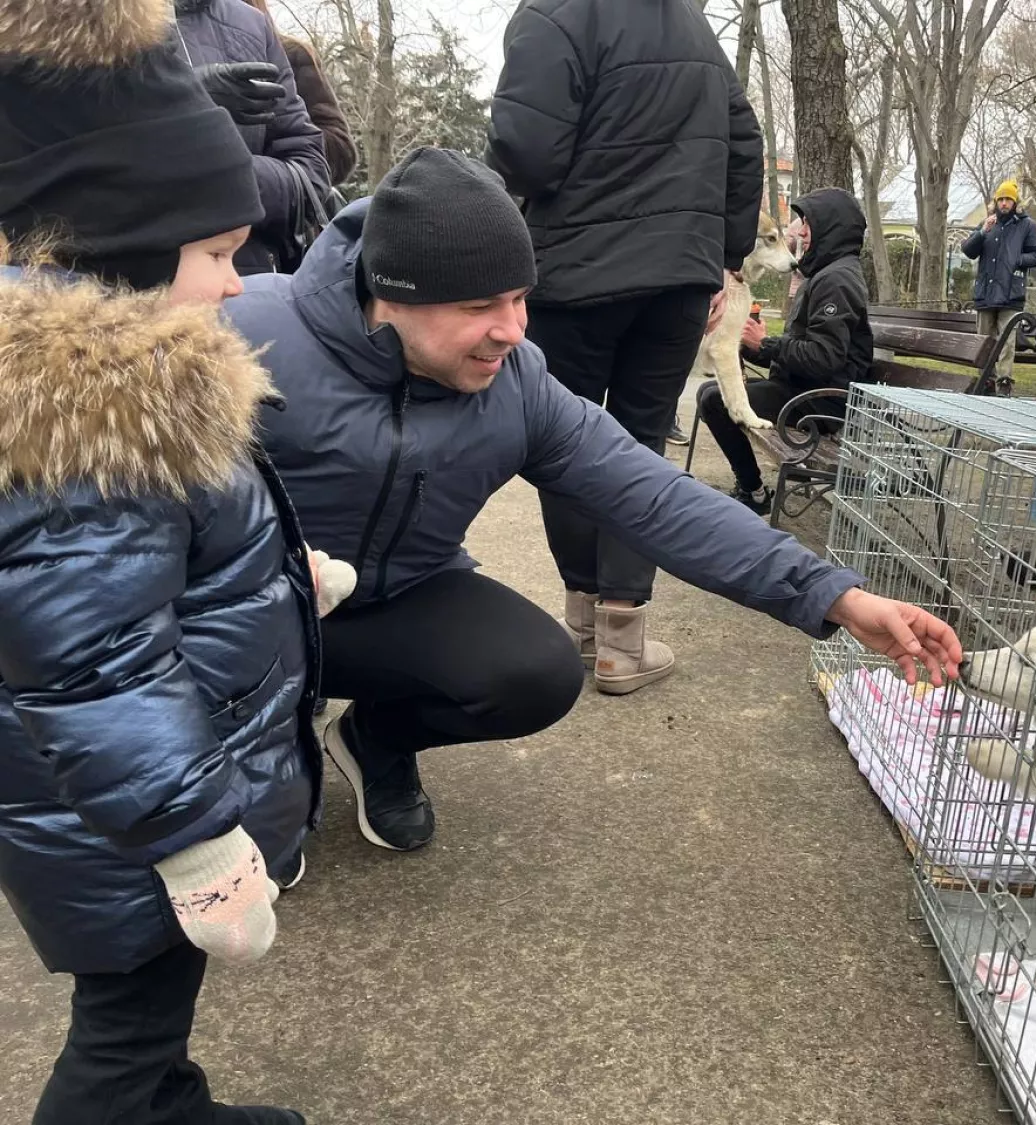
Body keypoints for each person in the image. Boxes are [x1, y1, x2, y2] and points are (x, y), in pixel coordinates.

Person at [225, 146, 964, 856]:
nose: (512, 330)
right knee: (259, 840)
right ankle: (255, 741)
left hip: (398, 597)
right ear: (392, 294)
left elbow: (655, 497)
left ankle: (374, 738)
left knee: (538, 671)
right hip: (246, 612)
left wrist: (835, 597)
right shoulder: (248, 334)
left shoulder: (518, 381)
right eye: (482, 305)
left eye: (520, 298)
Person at [0, 3, 340, 1120]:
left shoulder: (123, 395)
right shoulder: (87, 431)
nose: (238, 286)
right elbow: (97, 670)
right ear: (123, 250)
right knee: (127, 1013)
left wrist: (288, 573)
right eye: (216, 257)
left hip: (113, 807)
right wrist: (196, 850)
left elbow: (166, 565)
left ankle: (167, 1101)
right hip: (116, 828)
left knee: (156, 1003)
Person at [484, 0, 765, 693]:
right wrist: (724, 259)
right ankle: (622, 641)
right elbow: (745, 142)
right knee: (640, 444)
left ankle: (583, 623)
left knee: (565, 437)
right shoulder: (693, 25)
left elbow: (524, 145)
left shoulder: (555, 13)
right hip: (677, 276)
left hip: (574, 268)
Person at [701, 187, 875, 516]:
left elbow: (825, 358)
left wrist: (765, 345)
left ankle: (753, 492)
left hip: (822, 402)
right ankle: (752, 489)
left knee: (714, 401)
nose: (801, 230)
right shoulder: (826, 274)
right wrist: (757, 346)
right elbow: (805, 349)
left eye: (809, 222)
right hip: (803, 389)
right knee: (711, 393)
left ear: (832, 226)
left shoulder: (838, 281)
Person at [172, 0, 332, 274]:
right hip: (122, 291)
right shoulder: (87, 18)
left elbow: (312, 174)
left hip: (245, 287)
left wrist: (230, 176)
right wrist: (180, 95)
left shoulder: (251, 25)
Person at [243, 0, 356, 187]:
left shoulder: (291, 55)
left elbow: (341, 152)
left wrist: (283, 137)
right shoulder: (180, 54)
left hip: (279, 206)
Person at [961, 180, 1036, 390]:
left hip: (1011, 293)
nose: (1005, 203)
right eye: (1001, 199)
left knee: (1007, 341)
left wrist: (1018, 259)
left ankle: (1004, 380)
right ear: (996, 202)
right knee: (984, 339)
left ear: (1015, 202)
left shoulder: (1027, 225)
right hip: (986, 293)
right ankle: (986, 380)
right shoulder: (987, 223)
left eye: (1009, 199)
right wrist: (982, 233)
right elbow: (968, 250)